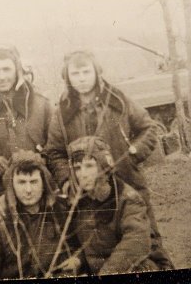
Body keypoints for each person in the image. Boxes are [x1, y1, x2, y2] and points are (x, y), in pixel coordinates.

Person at [46, 50, 174, 269]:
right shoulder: (62, 113)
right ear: (67, 77)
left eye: (86, 71)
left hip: (128, 182)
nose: (82, 78)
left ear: (96, 72)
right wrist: (68, 179)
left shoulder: (118, 100)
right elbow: (54, 152)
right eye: (75, 73)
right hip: (90, 194)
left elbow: (148, 128)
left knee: (147, 242)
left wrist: (134, 152)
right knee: (101, 245)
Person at [0, 45, 51, 216]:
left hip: (36, 189)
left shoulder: (42, 105)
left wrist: (40, 159)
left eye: (7, 69)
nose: (2, 76)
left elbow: (56, 142)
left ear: (17, 70)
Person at [0, 150, 80, 280]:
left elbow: (79, 249)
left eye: (34, 182)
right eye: (22, 182)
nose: (28, 190)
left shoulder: (60, 213)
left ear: (44, 183)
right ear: (12, 184)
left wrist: (78, 260)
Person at [66, 136, 161, 275]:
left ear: (104, 166)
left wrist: (107, 271)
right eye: (77, 168)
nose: (83, 174)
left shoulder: (127, 198)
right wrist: (78, 260)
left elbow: (137, 242)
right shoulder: (79, 202)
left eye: (89, 166)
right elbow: (85, 246)